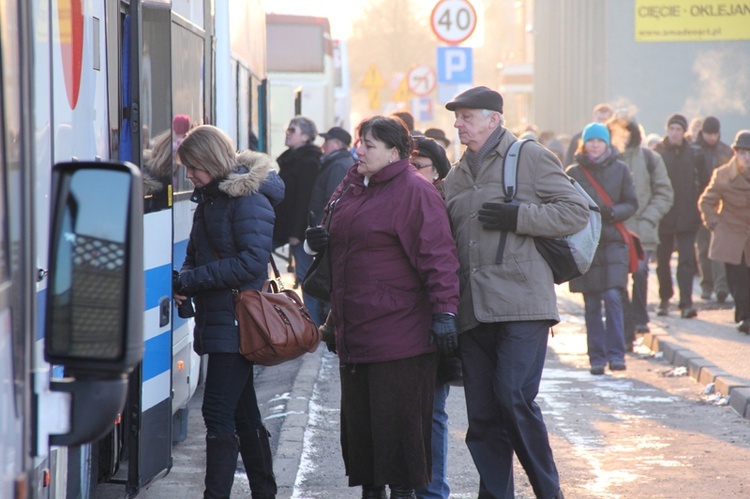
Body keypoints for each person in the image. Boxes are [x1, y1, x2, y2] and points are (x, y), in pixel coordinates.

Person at [443, 85, 589, 499]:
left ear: (494, 119)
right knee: (484, 417)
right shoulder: (456, 174)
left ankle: (548, 492)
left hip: (523, 304)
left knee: (513, 397)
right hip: (474, 310)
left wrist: (519, 215)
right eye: (457, 117)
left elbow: (575, 211)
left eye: (467, 117)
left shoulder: (529, 156)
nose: (458, 124)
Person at [306, 116, 460, 499]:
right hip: (357, 335)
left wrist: (444, 313)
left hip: (400, 339)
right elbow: (340, 247)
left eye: (369, 145)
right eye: (360, 142)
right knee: (364, 439)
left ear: (395, 152)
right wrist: (319, 241)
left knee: (400, 442)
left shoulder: (414, 192)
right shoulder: (354, 186)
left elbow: (439, 257)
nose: (359, 150)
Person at [173, 125, 284, 499]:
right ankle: (264, 492)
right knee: (242, 414)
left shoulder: (248, 199)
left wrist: (194, 280)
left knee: (217, 412)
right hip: (220, 317)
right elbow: (194, 253)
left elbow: (251, 263)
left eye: (193, 168)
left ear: (211, 160)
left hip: (238, 320)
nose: (190, 176)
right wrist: (184, 281)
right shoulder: (210, 199)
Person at [566, 123, 638, 374]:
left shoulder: (620, 169)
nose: (595, 145)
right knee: (592, 302)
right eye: (591, 141)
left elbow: (632, 203)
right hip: (587, 244)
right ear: (583, 144)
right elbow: (564, 204)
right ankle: (597, 358)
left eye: (600, 141)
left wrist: (612, 212)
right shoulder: (573, 172)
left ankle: (617, 354)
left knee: (614, 296)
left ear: (607, 143)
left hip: (614, 243)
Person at [410, 135, 459, 499]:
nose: (411, 173)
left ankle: (432, 491)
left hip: (435, 320)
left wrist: (445, 315)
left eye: (419, 167)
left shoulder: (444, 203)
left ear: (438, 173)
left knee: (432, 411)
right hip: (398, 320)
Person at [608, 115, 673, 349]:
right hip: (615, 231)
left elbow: (664, 192)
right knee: (618, 283)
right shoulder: (608, 160)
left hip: (642, 231)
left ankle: (639, 319)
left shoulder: (649, 158)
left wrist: (648, 219)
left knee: (640, 273)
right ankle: (627, 332)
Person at [654, 114, 711, 318]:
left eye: (678, 129)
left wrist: (700, 210)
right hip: (664, 216)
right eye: (672, 129)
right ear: (667, 130)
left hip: (688, 215)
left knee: (687, 260)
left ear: (684, 131)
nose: (674, 133)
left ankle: (686, 302)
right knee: (663, 261)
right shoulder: (658, 154)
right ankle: (664, 299)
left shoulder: (695, 154)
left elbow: (706, 183)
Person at [273, 115, 323, 324]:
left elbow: (304, 199)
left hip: (296, 229)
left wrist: (296, 232)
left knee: (304, 275)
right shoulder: (291, 158)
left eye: (292, 130)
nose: (287, 132)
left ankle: (313, 323)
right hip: (282, 226)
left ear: (304, 137)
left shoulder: (308, 161)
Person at [699, 131, 750, 333]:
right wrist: (715, 224)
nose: (747, 157)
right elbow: (706, 202)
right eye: (743, 152)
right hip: (732, 235)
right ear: (736, 153)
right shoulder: (722, 175)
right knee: (737, 282)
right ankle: (744, 317)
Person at [693, 116, 734, 303]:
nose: (712, 137)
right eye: (709, 134)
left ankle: (721, 287)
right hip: (700, 205)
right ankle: (707, 285)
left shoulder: (727, 152)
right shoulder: (694, 151)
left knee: (719, 249)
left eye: (715, 134)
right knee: (703, 249)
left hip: (722, 206)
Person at [309, 126, 355, 224]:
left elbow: (332, 202)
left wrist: (323, 227)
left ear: (337, 144)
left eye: (326, 141)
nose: (323, 146)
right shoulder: (336, 162)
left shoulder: (339, 166)